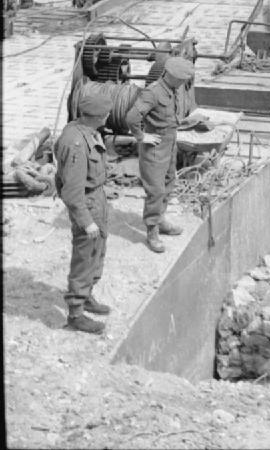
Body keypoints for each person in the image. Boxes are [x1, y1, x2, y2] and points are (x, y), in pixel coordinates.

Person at [125, 56, 199, 253]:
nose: (185, 83)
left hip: (170, 143)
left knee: (168, 182)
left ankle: (161, 219)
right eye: (182, 79)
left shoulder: (173, 89)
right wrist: (141, 137)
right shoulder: (153, 93)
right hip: (155, 148)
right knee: (155, 190)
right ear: (173, 77)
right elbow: (132, 116)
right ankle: (152, 231)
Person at [55, 91, 114, 334]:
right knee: (84, 256)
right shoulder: (76, 143)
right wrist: (86, 221)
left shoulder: (85, 130)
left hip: (97, 198)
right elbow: (72, 191)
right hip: (87, 203)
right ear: (99, 116)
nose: (109, 115)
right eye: (107, 113)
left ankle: (87, 294)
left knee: (97, 251)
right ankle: (76, 314)